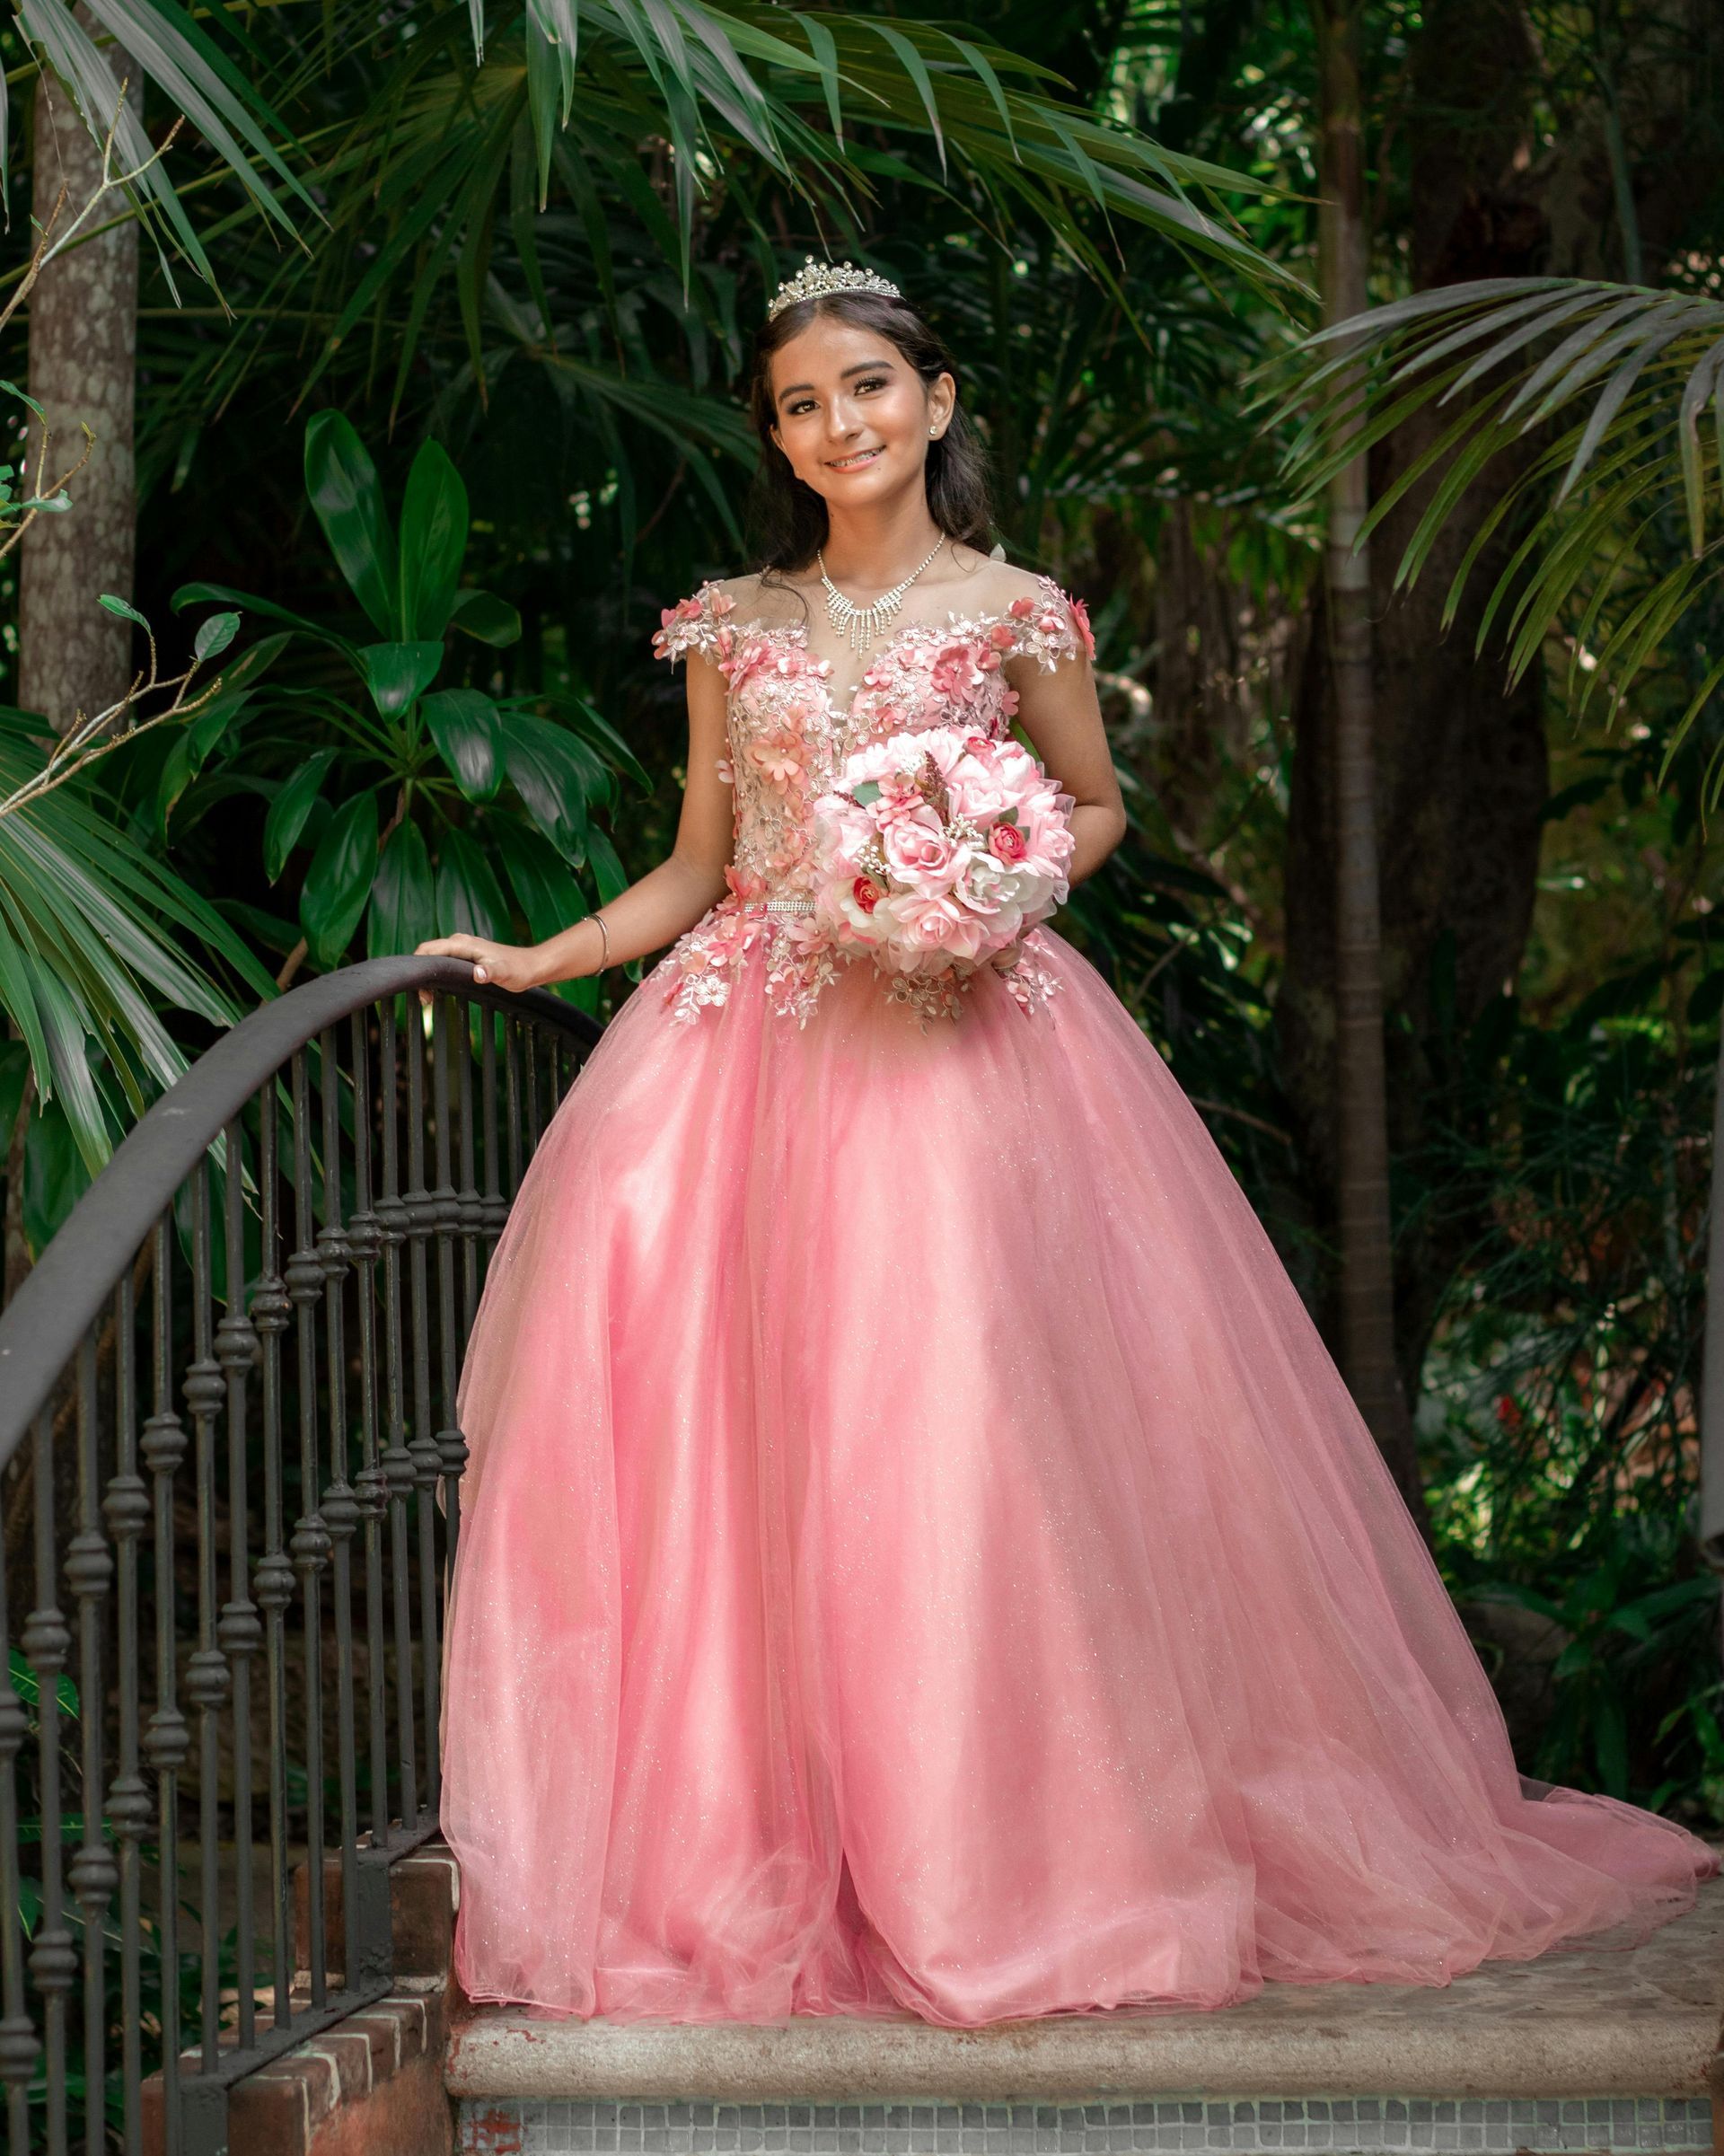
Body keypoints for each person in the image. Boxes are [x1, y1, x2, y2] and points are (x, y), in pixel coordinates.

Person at [418, 258, 1717, 2028]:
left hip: (966, 1061)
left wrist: (993, 885)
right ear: (778, 432)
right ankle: (770, 1842)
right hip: (754, 1055)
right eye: (801, 402)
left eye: (867, 386)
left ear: (936, 401)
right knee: (737, 1446)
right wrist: (543, 953)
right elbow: (698, 861)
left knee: (954, 1447)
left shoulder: (1017, 613)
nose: (837, 425)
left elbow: (1091, 803)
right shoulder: (735, 623)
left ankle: (1001, 1858)